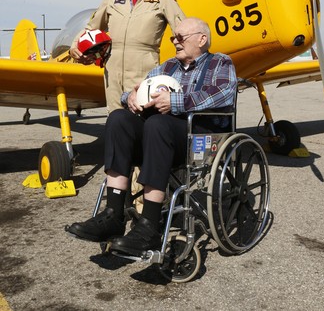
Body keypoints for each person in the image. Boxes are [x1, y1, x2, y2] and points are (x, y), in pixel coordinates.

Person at [66, 17, 237, 257]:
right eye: (173, 38)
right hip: (160, 136)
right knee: (118, 118)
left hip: (198, 137)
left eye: (180, 37)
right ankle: (114, 214)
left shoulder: (220, 63)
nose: (175, 41)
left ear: (202, 39)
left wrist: (176, 102)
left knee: (157, 123)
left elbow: (223, 94)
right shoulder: (167, 67)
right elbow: (135, 89)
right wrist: (131, 98)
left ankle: (149, 226)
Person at [69, 0, 185, 113]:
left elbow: (183, 31)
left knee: (143, 118)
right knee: (115, 120)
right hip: (113, 73)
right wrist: (75, 47)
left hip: (145, 72)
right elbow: (91, 28)